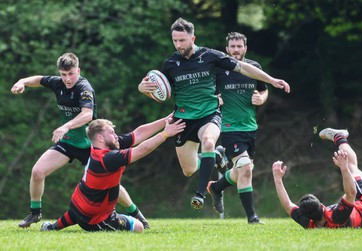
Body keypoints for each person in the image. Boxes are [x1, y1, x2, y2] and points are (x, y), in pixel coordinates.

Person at [138, 18, 291, 210]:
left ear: (192, 38)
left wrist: (271, 80)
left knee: (209, 141)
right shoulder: (170, 63)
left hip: (209, 114)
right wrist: (143, 88)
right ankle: (216, 157)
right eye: (175, 41)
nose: (178, 45)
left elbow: (242, 67)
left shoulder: (210, 55)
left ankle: (200, 194)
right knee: (189, 169)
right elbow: (161, 93)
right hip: (183, 120)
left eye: (182, 40)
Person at [11, 52, 150, 229]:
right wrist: (22, 82)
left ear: (78, 70)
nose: (67, 79)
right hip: (68, 143)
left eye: (71, 74)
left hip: (90, 146)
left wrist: (66, 126)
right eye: (63, 74)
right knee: (38, 172)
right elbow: (38, 79)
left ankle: (136, 214)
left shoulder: (84, 88)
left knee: (112, 184)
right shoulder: (57, 83)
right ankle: (35, 213)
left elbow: (87, 114)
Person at [40, 117, 186, 232]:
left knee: (78, 211)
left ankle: (53, 227)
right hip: (96, 219)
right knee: (138, 227)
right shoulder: (108, 158)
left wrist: (165, 120)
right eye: (112, 133)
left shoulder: (97, 147)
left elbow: (137, 134)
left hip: (77, 206)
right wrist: (166, 133)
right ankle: (59, 226)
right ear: (101, 138)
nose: (116, 136)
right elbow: (143, 149)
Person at [272, 128, 362, 228]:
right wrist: (343, 168)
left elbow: (288, 205)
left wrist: (277, 179)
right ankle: (339, 137)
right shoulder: (337, 217)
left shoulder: (309, 224)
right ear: (322, 206)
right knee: (352, 167)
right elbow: (351, 193)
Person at [206, 32, 273, 224]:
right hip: (228, 127)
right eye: (232, 47)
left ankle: (217, 187)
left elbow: (263, 89)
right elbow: (206, 91)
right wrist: (214, 99)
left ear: (245, 48)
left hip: (250, 127)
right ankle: (252, 218)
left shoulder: (254, 67)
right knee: (245, 168)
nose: (236, 50)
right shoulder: (218, 69)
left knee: (243, 169)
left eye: (239, 46)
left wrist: (262, 98)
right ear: (226, 49)